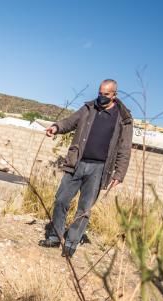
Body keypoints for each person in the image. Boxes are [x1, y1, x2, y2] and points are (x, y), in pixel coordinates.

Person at [39, 79, 133, 257]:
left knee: (84, 209)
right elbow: (70, 122)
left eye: (106, 94)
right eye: (100, 93)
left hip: (99, 169)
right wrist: (56, 127)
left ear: (114, 95)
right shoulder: (89, 109)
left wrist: (119, 173)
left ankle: (71, 244)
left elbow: (125, 148)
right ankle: (54, 237)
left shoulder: (124, 118)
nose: (102, 97)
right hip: (77, 162)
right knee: (61, 200)